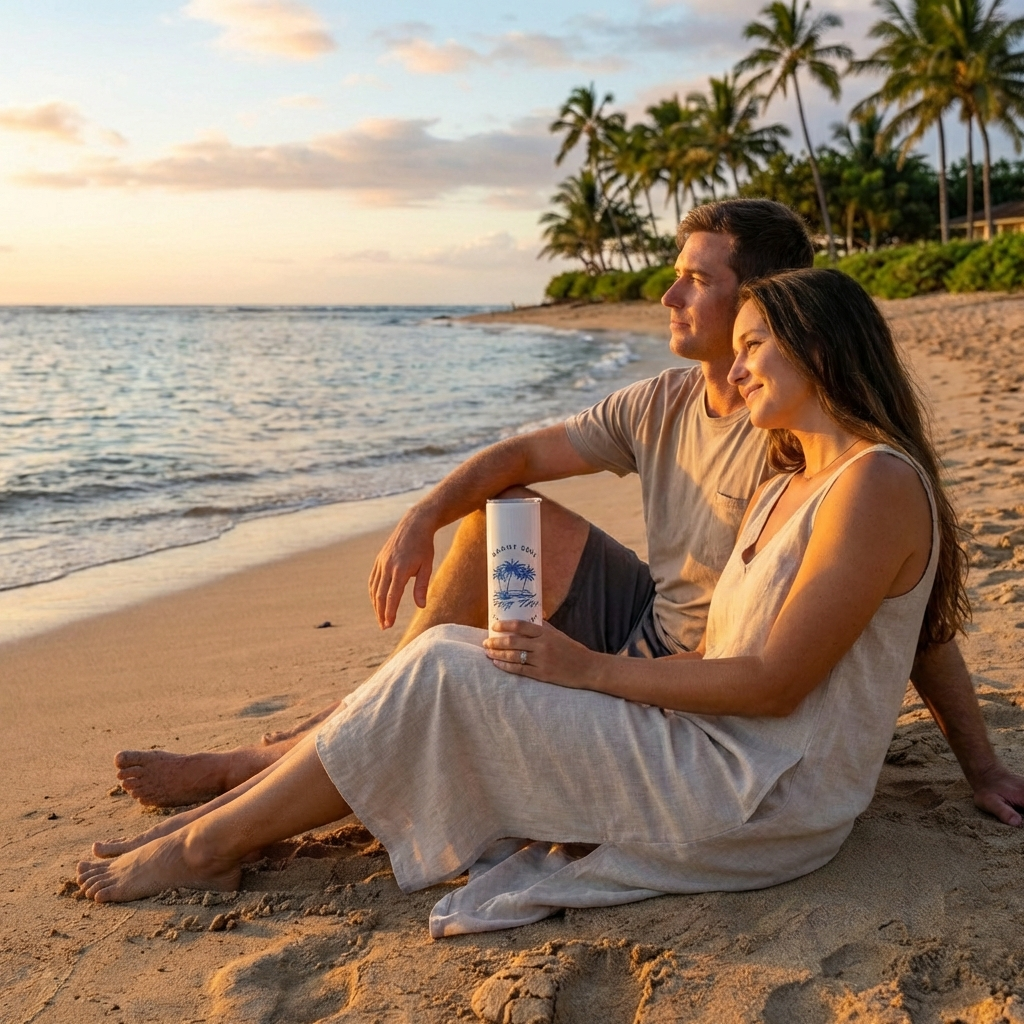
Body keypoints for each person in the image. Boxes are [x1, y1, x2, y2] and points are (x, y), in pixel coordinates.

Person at [75, 269, 976, 935]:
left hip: (763, 795)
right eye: (735, 350)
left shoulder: (875, 487)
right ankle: (237, 816)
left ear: (819, 347)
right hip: (722, 749)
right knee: (456, 660)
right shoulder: (794, 479)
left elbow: (780, 684)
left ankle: (209, 845)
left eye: (753, 348)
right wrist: (579, 677)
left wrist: (587, 670)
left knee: (441, 673)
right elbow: (741, 653)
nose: (735, 374)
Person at [111, 199, 1024, 827]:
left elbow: (907, 610)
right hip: (642, 622)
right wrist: (422, 514)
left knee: (449, 662)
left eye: (695, 281)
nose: (668, 296)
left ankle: (278, 760)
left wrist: (980, 765)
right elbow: (519, 457)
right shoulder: (664, 402)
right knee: (497, 515)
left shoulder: (808, 437)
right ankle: (334, 734)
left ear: (765, 301)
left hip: (704, 682)